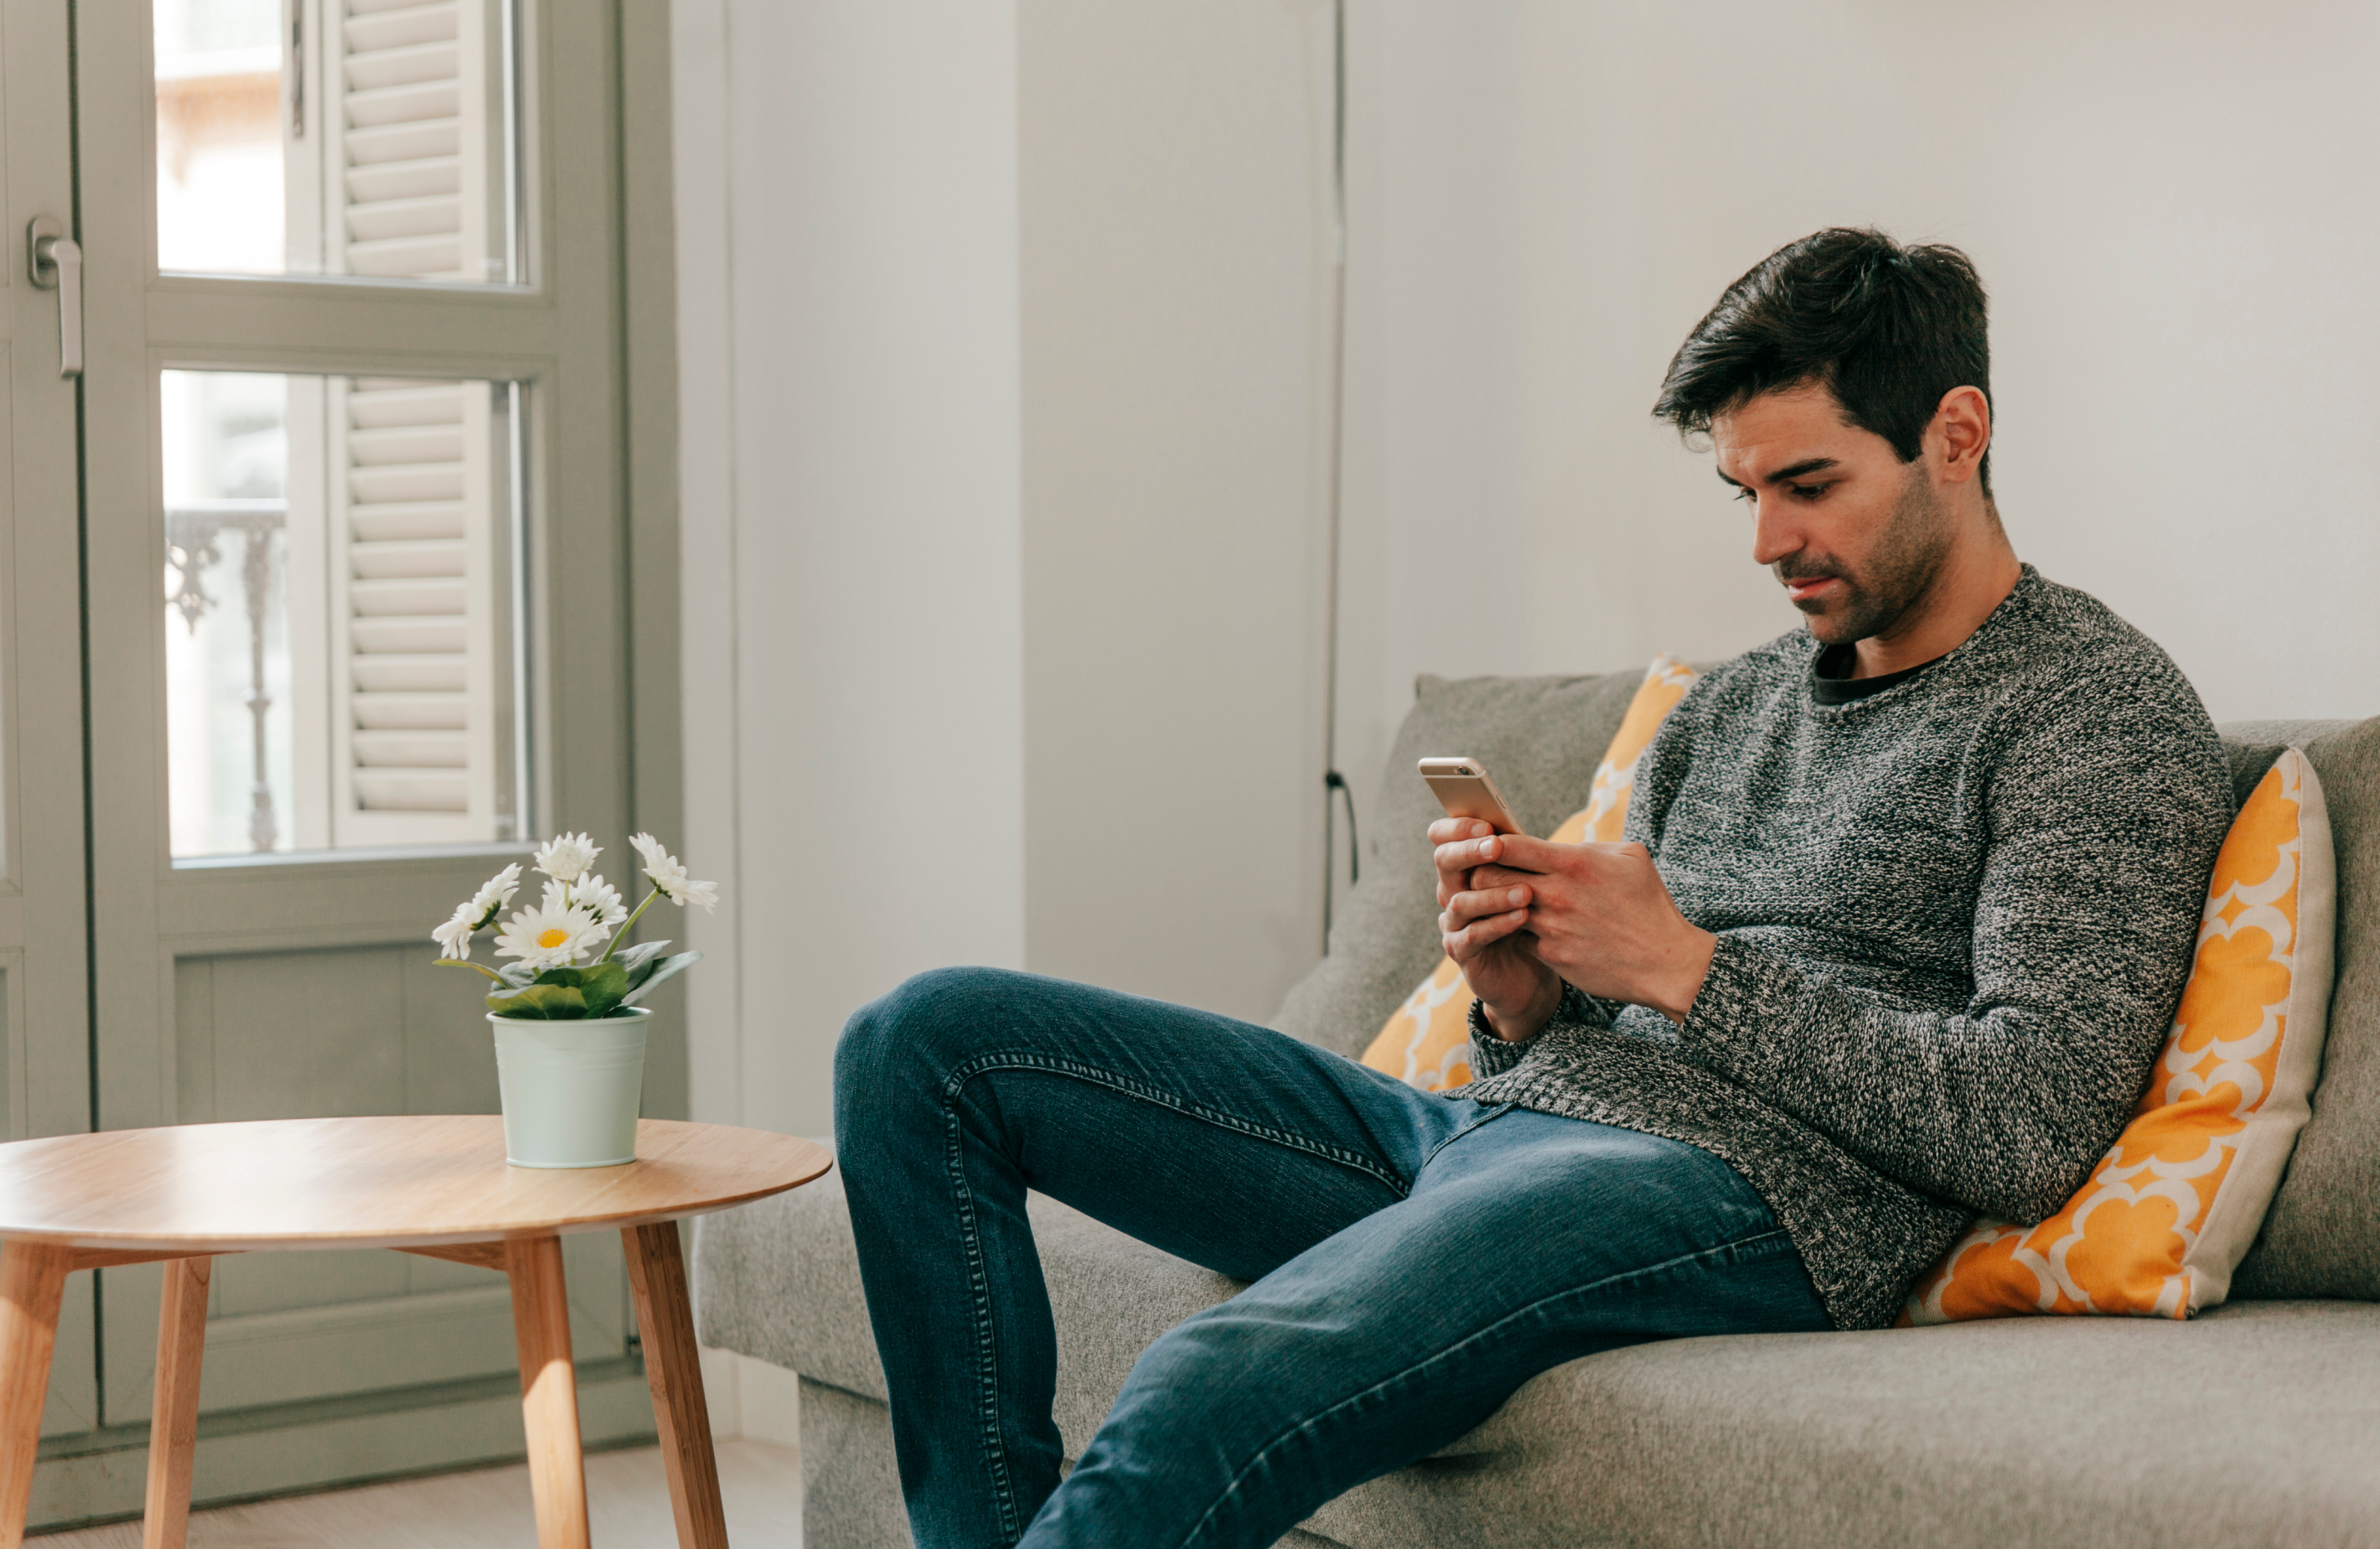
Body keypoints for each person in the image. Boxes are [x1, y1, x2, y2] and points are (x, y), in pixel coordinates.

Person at [832, 226, 2234, 1549]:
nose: (1767, 544)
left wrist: (1684, 968)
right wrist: (1525, 998)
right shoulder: (1730, 707)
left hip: (1757, 1196)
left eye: (1810, 487)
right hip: (1486, 1128)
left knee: (1212, 1377)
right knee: (927, 1044)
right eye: (1746, 495)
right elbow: (1598, 1047)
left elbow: (2030, 1123)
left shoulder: (2092, 709)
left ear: (1955, 436)